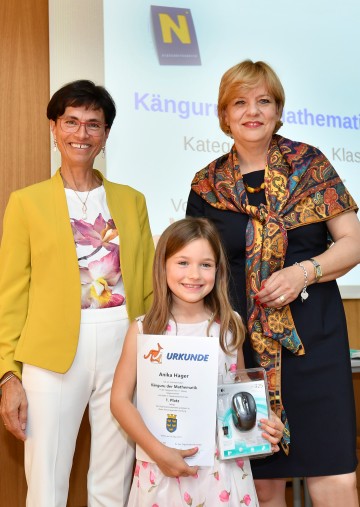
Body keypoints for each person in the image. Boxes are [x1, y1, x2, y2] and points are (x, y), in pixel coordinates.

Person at [186, 60, 360, 507]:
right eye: (240, 102)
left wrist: (304, 271)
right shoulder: (207, 185)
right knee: (261, 484)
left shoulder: (311, 166)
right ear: (224, 115)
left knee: (335, 475)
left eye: (264, 101)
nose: (253, 111)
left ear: (278, 111)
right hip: (241, 346)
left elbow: (353, 243)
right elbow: (196, 268)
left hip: (314, 339)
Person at [0, 80, 154, 507]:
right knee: (46, 482)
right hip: (51, 357)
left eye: (93, 125)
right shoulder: (26, 203)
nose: (81, 134)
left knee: (113, 479)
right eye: (71, 122)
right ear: (54, 128)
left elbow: (148, 286)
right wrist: (7, 374)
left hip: (125, 350)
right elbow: (11, 296)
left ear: (106, 135)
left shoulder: (132, 200)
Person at [110, 217, 284, 507]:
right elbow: (119, 400)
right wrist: (157, 451)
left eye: (206, 264)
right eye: (182, 263)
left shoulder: (229, 326)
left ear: (218, 270)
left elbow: (238, 386)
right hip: (161, 466)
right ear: (162, 264)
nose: (194, 274)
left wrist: (266, 423)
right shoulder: (143, 331)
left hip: (222, 472)